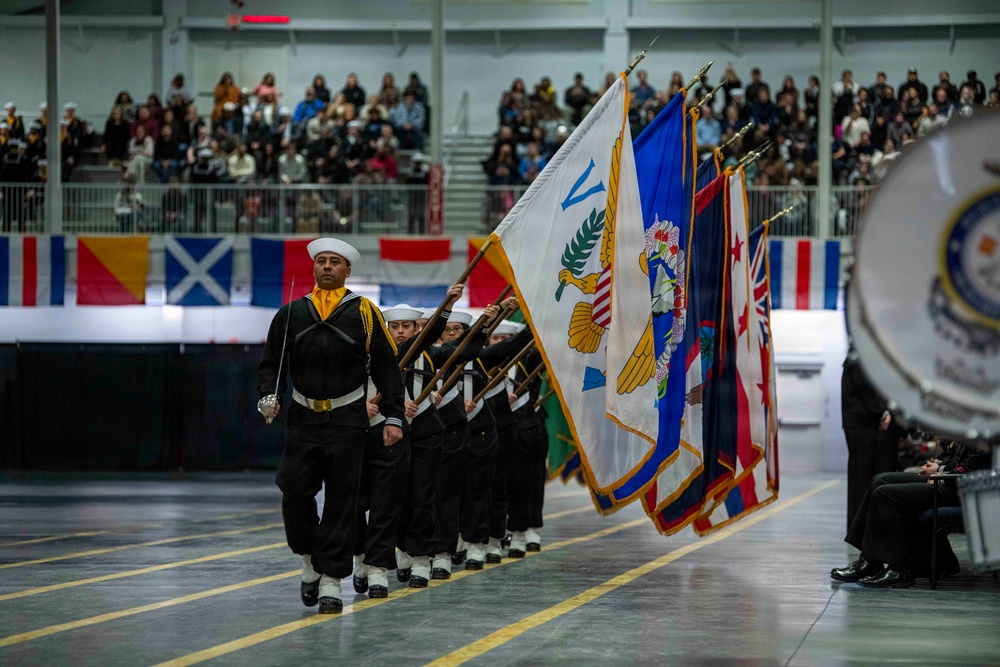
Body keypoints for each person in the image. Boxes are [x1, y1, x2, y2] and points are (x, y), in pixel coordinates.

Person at [257, 238, 404, 614]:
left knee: (343, 501)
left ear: (347, 271)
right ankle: (308, 558)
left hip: (348, 420)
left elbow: (388, 368)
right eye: (320, 261)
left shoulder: (366, 313)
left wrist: (393, 416)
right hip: (303, 418)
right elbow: (270, 363)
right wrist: (266, 395)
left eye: (334, 262)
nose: (326, 267)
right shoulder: (291, 312)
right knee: (292, 487)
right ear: (313, 268)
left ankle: (330, 580)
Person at [830, 439, 990, 587]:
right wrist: (938, 464)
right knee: (879, 480)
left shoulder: (988, 426)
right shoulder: (973, 422)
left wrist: (941, 471)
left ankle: (899, 569)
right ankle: (869, 561)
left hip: (962, 491)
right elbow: (957, 456)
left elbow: (978, 466)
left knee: (885, 494)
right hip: (948, 480)